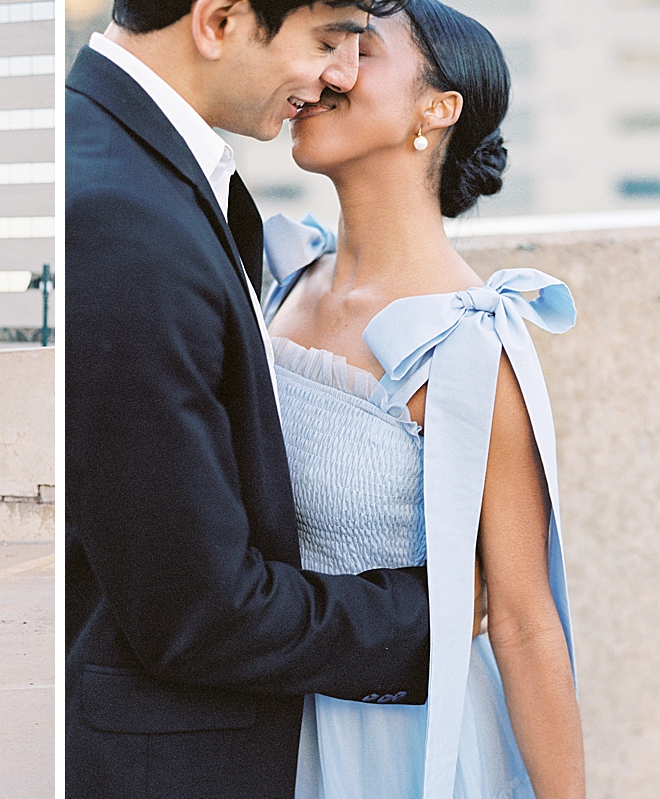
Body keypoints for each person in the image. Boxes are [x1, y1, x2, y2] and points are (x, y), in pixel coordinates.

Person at [66, 1, 433, 797]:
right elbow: (198, 610)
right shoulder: (122, 220)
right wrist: (431, 612)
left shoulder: (141, 168)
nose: (342, 74)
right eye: (329, 40)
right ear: (220, 20)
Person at [260, 3, 582, 796]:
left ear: (437, 111)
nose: (327, 70)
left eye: (360, 50)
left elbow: (522, 619)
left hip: (398, 751)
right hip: (255, 729)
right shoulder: (281, 283)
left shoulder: (472, 341)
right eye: (329, 45)